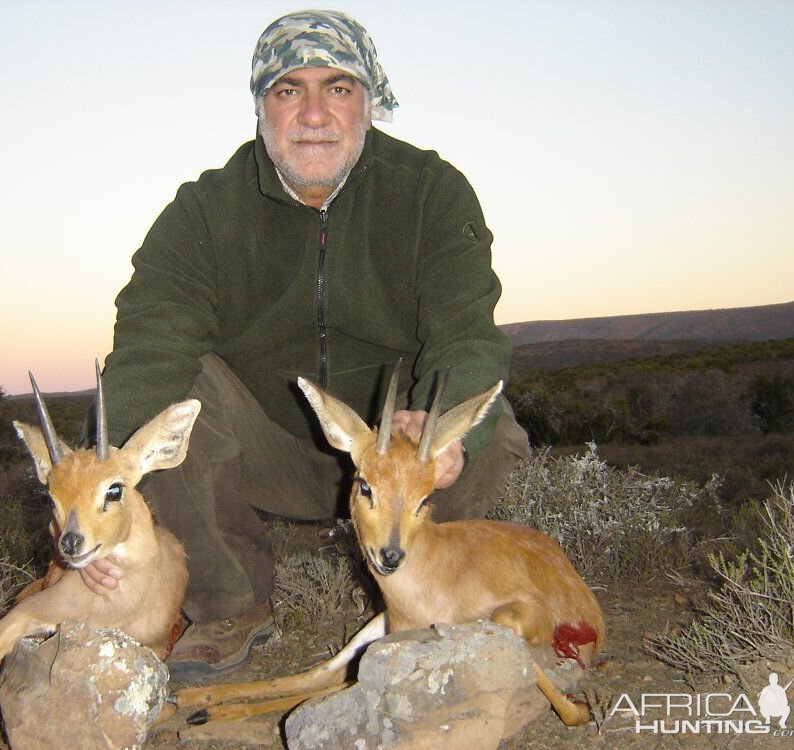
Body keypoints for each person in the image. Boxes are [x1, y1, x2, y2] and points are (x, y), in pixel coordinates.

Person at [82, 10, 530, 681]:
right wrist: (99, 493)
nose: (314, 113)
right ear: (262, 108)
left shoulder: (431, 193)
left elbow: (466, 332)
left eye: (339, 88)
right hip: (268, 453)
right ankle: (229, 601)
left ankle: (436, 595)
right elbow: (149, 344)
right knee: (171, 399)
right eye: (289, 90)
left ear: (369, 105)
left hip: (396, 459)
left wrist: (440, 438)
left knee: (487, 426)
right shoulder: (204, 212)